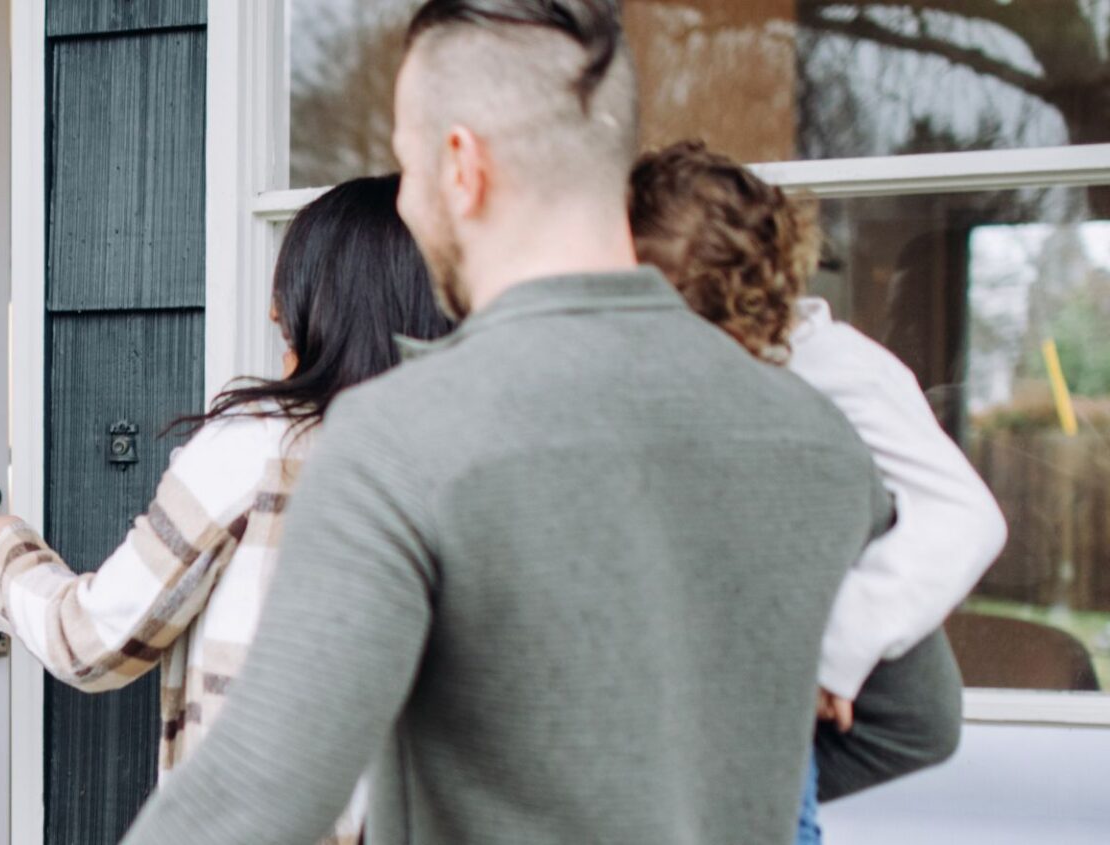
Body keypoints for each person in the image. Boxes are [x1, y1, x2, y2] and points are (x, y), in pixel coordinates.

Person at [113, 1, 925, 842]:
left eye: (406, 171)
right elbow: (916, 721)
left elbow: (249, 802)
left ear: (461, 166)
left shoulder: (400, 438)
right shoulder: (811, 429)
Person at [0, 174, 452, 845]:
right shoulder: (463, 460)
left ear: (331, 306)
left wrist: (2, 553)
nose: (281, 328)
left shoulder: (260, 446)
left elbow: (94, 639)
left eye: (291, 310)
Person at [630, 139, 1004, 841]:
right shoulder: (723, 381)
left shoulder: (839, 371)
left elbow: (966, 515)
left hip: (802, 688)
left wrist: (833, 648)